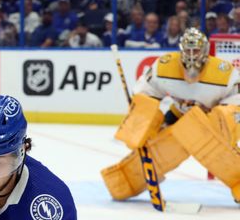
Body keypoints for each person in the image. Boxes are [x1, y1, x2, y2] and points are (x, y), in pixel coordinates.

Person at [102, 28, 240, 204]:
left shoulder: (224, 72)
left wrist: (221, 120)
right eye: (188, 50)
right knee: (163, 146)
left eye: (196, 50)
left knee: (212, 143)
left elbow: (237, 102)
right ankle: (125, 181)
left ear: (205, 51)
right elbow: (145, 93)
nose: (192, 55)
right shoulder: (165, 65)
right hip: (179, 114)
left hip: (209, 119)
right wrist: (141, 118)